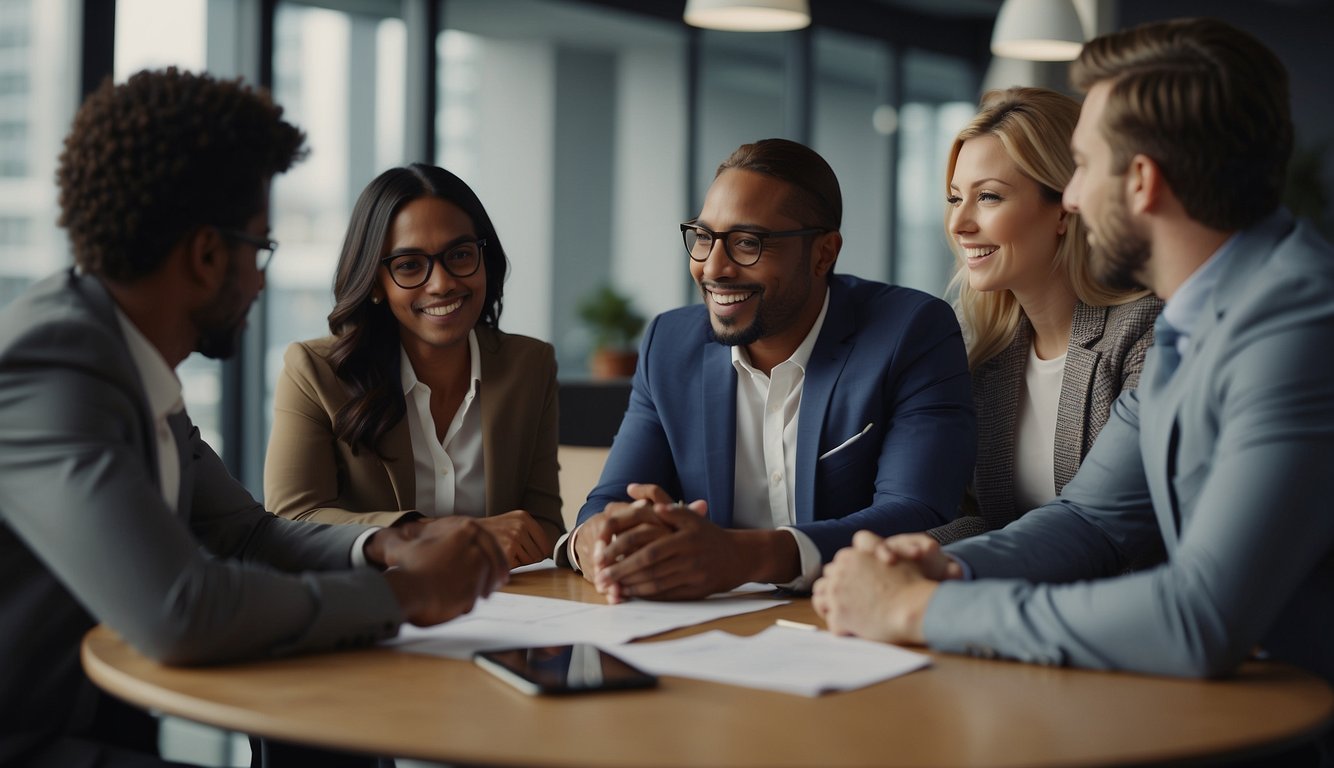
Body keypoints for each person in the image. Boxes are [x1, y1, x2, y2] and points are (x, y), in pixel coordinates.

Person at [0, 69, 508, 768]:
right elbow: (183, 610)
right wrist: (408, 593)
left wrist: (388, 546)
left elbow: (241, 534)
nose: (262, 280)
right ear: (209, 256)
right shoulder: (52, 366)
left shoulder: (127, 359)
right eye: (261, 247)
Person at [813, 16, 1334, 694]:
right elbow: (1092, 520)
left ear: (1142, 181)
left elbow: (1198, 619)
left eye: (1084, 166)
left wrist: (919, 608)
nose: (1076, 198)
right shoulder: (1200, 313)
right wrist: (949, 569)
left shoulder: (1299, 325)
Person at [560, 138, 975, 601]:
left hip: (853, 623)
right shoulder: (669, 345)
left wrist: (746, 556)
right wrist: (594, 540)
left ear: (823, 254)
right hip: (706, 632)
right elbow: (612, 497)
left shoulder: (911, 332)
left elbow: (917, 513)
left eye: (747, 243)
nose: (712, 267)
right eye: (703, 237)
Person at [264, 164, 563, 568]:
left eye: (459, 255)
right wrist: (439, 534)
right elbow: (293, 522)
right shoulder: (314, 372)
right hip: (372, 613)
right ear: (374, 282)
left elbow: (543, 525)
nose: (441, 283)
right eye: (409, 265)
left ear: (484, 260)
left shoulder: (529, 366)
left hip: (507, 609)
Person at [930, 86, 1161, 545]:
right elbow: (991, 521)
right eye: (956, 198)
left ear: (1065, 207)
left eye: (989, 197)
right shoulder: (982, 343)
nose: (959, 224)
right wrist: (894, 552)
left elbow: (1117, 533)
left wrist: (942, 563)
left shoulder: (1144, 332)